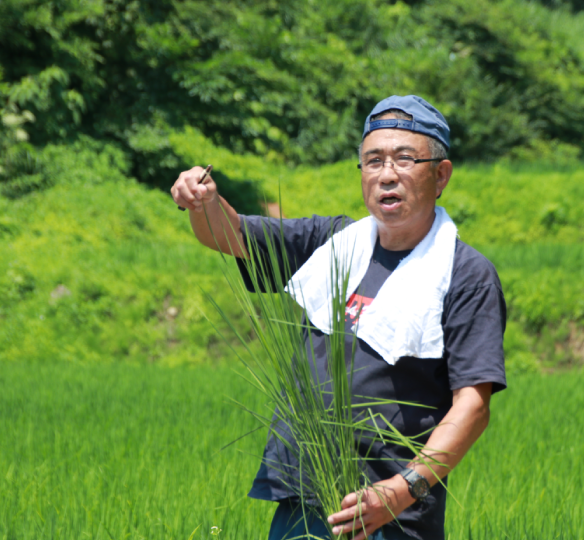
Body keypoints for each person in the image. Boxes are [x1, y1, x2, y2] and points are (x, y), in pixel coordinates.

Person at [171, 95, 507, 540]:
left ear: (440, 175)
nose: (387, 174)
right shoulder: (334, 243)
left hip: (389, 513)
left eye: (405, 159)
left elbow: (474, 406)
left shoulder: (464, 274)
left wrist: (401, 489)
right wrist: (201, 201)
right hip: (302, 497)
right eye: (373, 161)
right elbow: (229, 236)